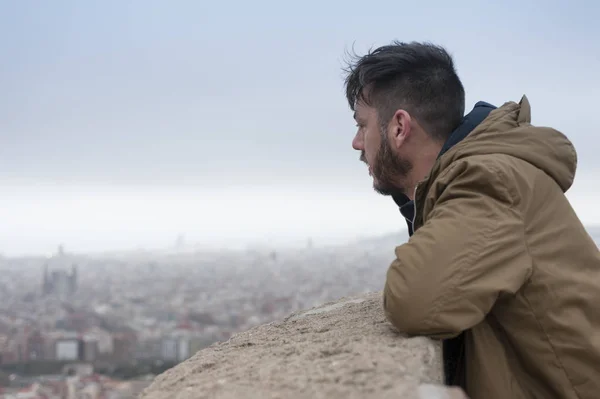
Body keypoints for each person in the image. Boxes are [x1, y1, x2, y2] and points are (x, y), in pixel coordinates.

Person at [342, 40, 600, 399]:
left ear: (399, 127)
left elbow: (416, 299)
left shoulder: (488, 180)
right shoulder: (478, 176)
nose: (356, 143)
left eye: (362, 125)